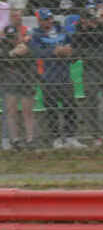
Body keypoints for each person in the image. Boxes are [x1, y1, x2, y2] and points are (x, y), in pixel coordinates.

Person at [29, 10, 79, 147]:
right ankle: (56, 137)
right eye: (46, 19)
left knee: (70, 106)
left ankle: (70, 137)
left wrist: (68, 51)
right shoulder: (36, 35)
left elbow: (72, 46)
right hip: (48, 77)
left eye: (50, 18)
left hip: (64, 74)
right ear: (39, 21)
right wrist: (56, 51)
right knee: (51, 108)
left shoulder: (62, 30)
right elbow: (39, 53)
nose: (49, 21)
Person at [72, 6, 103, 142]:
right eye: (89, 19)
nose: (93, 22)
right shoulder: (78, 31)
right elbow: (75, 53)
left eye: (93, 19)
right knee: (92, 103)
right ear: (82, 20)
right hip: (89, 70)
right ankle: (96, 135)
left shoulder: (100, 26)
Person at [1, 24, 40, 150]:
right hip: (10, 81)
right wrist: (12, 53)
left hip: (26, 81)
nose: (13, 40)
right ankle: (15, 140)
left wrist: (25, 51)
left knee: (27, 112)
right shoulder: (3, 47)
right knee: (11, 113)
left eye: (15, 36)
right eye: (10, 37)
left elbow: (33, 59)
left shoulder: (26, 45)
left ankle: (30, 139)